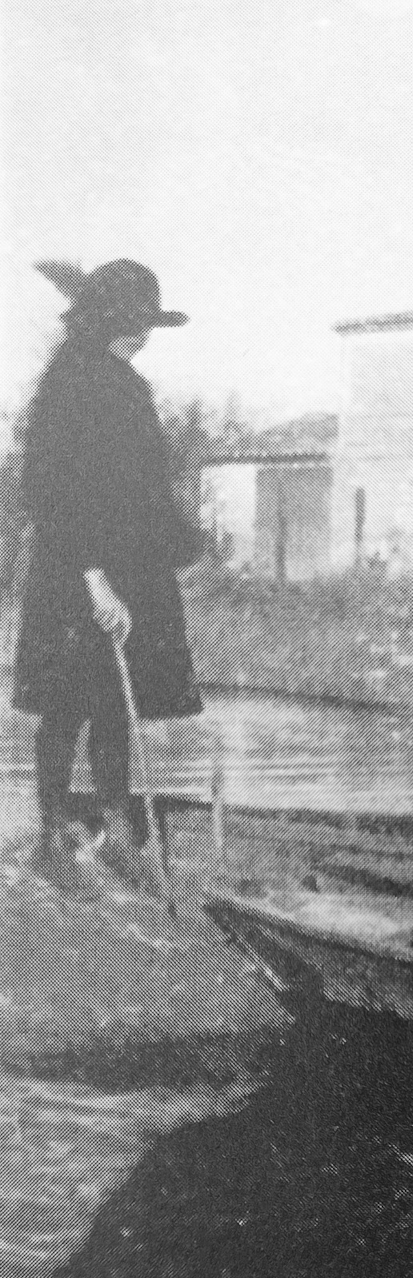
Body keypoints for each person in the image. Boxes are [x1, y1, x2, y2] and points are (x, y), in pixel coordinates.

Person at [12, 258, 203, 892]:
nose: (141, 334)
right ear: (98, 322)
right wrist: (94, 579)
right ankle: (51, 837)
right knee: (66, 705)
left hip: (131, 564)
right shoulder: (70, 385)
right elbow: (56, 489)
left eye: (146, 323)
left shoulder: (128, 385)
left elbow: (144, 484)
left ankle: (116, 830)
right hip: (77, 566)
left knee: (118, 704)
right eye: (129, 322)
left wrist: (180, 542)